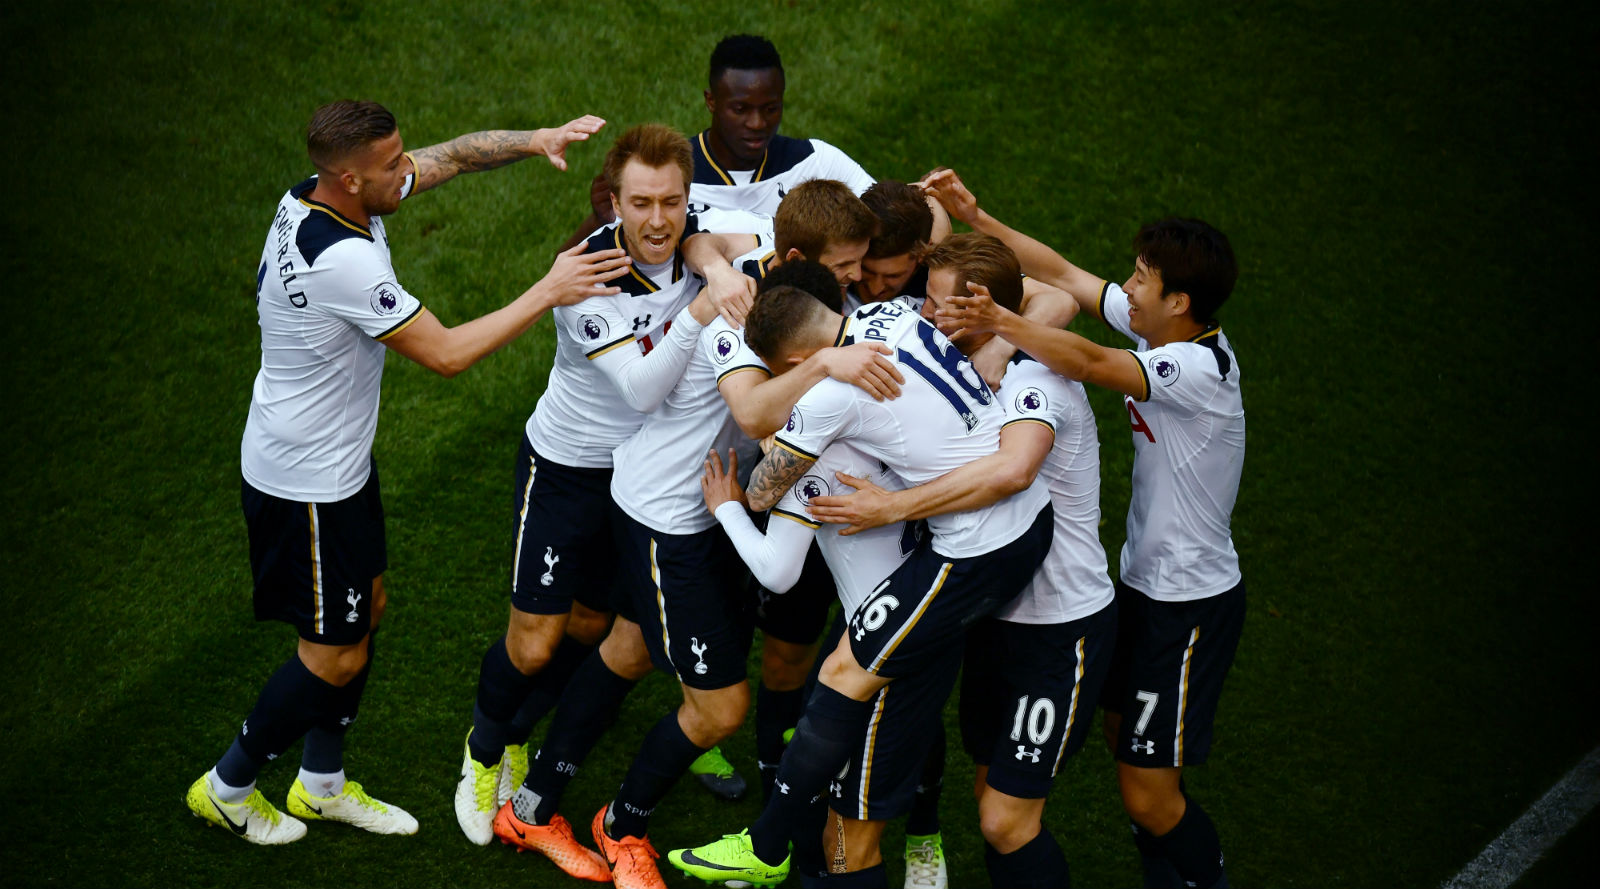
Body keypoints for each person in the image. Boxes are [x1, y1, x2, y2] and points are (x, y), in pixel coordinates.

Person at [184, 100, 630, 846]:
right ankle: (228, 783)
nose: (409, 170)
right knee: (333, 650)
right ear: (352, 179)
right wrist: (549, 288)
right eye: (393, 166)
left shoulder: (315, 193)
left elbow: (448, 155)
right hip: (305, 485)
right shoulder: (344, 262)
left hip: (335, 467)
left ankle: (320, 782)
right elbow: (448, 353)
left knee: (369, 608)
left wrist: (535, 141)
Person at [493, 191, 901, 889]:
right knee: (720, 708)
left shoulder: (776, 285)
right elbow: (751, 407)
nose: (860, 279)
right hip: (671, 518)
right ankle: (621, 825)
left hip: (708, 509)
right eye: (848, 266)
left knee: (626, 649)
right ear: (800, 259)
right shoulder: (740, 311)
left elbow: (699, 241)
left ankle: (530, 805)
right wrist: (827, 364)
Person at [668, 277, 1054, 888]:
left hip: (979, 547)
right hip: (1021, 522)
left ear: (798, 365)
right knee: (876, 696)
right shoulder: (890, 313)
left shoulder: (829, 405)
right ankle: (890, 839)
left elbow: (768, 492)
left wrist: (729, 503)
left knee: (842, 689)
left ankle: (767, 847)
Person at [924, 169, 1245, 889]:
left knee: (1148, 793)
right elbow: (1062, 273)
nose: (1126, 288)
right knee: (1120, 744)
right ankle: (1164, 870)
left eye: (1141, 278)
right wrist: (983, 217)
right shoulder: (1163, 325)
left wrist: (1001, 325)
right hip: (1140, 581)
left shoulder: (1196, 367)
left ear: (1179, 301)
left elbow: (1093, 361)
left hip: (1187, 604)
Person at [453, 123, 760, 853]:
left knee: (593, 627)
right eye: (641, 203)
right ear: (613, 202)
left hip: (637, 479)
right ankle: (485, 749)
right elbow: (645, 388)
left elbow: (764, 239)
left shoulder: (699, 232)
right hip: (566, 468)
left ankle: (526, 734)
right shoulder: (583, 277)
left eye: (673, 203)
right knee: (533, 643)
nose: (659, 220)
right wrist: (703, 300)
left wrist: (711, 259)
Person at [807, 233, 1119, 888]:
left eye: (941, 307)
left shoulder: (1034, 378)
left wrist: (892, 507)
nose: (923, 316)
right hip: (994, 613)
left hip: (1058, 626)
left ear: (982, 310)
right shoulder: (966, 366)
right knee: (990, 797)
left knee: (1007, 819)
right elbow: (1051, 297)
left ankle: (774, 833)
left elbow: (1011, 471)